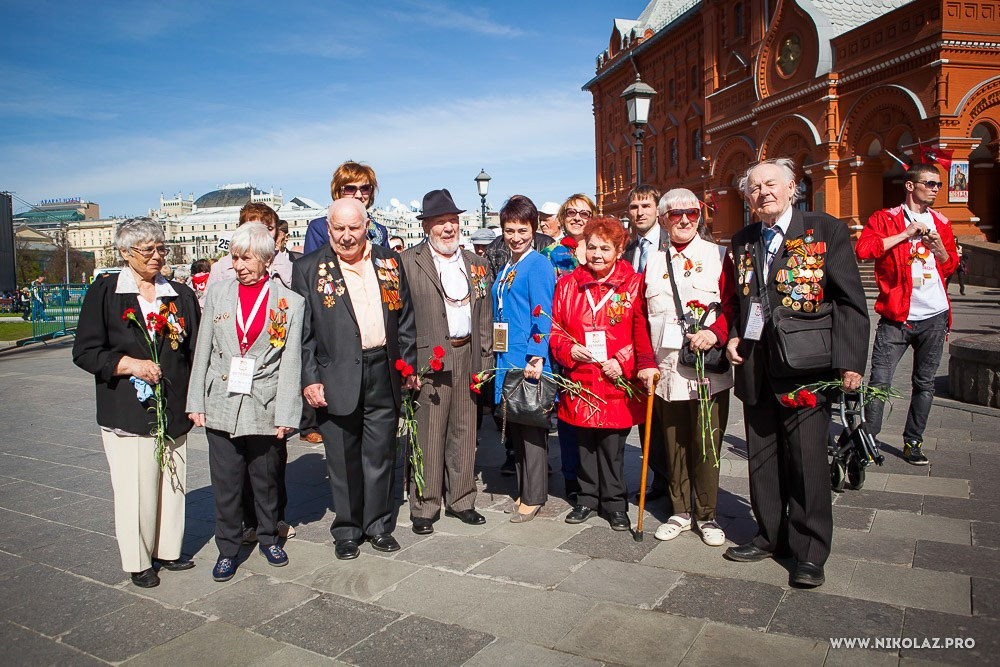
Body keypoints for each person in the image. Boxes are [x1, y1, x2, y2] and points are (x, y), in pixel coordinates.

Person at [724, 158, 869, 588]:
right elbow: (741, 301)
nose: (762, 192)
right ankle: (770, 535)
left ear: (792, 188)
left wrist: (849, 362)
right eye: (754, 187)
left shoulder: (825, 230)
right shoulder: (743, 239)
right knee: (763, 459)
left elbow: (849, 302)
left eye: (771, 184)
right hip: (756, 366)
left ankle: (809, 551)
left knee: (806, 460)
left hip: (807, 365)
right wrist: (733, 336)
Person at [72, 218, 201, 588]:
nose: (158, 256)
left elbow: (193, 350)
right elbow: (85, 351)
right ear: (126, 253)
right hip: (127, 410)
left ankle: (167, 550)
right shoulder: (106, 292)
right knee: (135, 488)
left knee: (172, 483)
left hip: (173, 407)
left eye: (162, 248)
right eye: (149, 250)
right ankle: (138, 559)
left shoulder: (180, 294)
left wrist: (197, 399)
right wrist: (129, 364)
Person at [292, 198, 416, 559]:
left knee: (380, 454)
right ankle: (347, 530)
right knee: (343, 458)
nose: (346, 237)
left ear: (366, 226)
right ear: (327, 229)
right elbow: (303, 333)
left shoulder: (388, 261)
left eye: (354, 228)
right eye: (338, 229)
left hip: (383, 369)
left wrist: (406, 365)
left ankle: (378, 524)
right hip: (336, 374)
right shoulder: (309, 269)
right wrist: (310, 378)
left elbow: (405, 318)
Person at [186, 223, 304, 581]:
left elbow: (291, 363)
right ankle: (227, 547)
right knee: (226, 482)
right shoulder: (218, 294)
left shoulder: (290, 302)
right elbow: (203, 349)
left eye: (246, 257)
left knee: (265, 478)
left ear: (267, 259)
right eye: (235, 257)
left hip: (264, 403)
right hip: (221, 399)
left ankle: (268, 537)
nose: (238, 265)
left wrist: (286, 413)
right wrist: (196, 401)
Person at [550, 216, 657, 531]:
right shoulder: (568, 284)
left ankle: (614, 502)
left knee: (612, 446)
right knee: (584, 443)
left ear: (619, 249)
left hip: (614, 380)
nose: (597, 254)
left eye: (605, 248)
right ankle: (586, 498)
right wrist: (568, 350)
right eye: (592, 247)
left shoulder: (634, 284)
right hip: (580, 377)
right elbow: (555, 327)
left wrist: (623, 361)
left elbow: (643, 332)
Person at [642, 189, 736, 547]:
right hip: (666, 368)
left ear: (700, 216)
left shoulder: (719, 255)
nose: (684, 220)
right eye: (676, 214)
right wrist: (645, 363)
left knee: (706, 443)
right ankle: (680, 511)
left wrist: (716, 332)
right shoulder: (652, 261)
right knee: (674, 443)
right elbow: (640, 316)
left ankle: (707, 514)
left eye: (692, 214)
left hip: (706, 368)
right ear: (663, 219)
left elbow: (732, 305)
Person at [400, 189, 493, 535]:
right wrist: (408, 366)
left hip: (467, 353)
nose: (448, 229)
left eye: (452, 221)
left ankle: (462, 500)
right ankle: (425, 504)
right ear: (427, 226)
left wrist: (484, 361)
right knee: (428, 432)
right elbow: (401, 318)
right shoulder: (409, 262)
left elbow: (484, 316)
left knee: (465, 431)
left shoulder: (477, 264)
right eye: (440, 223)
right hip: (428, 358)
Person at [856, 163, 959, 465]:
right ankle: (867, 440)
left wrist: (938, 246)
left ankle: (913, 441)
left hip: (935, 315)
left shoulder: (942, 222)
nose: (936, 189)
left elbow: (949, 264)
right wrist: (906, 233)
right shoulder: (885, 218)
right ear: (911, 186)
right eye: (929, 183)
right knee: (879, 382)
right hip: (897, 316)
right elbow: (864, 249)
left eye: (938, 184)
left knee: (924, 383)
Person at [492, 195, 556, 522]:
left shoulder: (538, 264)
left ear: (534, 229)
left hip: (526, 360)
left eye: (522, 229)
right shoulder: (509, 264)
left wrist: (537, 356)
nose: (515, 236)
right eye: (509, 229)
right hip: (507, 358)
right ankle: (522, 491)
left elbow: (543, 315)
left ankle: (534, 496)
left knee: (531, 430)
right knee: (516, 427)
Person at [537, 193, 596, 498]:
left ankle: (599, 479)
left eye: (584, 213)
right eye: (571, 212)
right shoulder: (549, 255)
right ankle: (573, 478)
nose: (577, 217)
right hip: (563, 346)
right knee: (568, 414)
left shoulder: (603, 250)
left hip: (600, 348)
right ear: (561, 218)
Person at [622, 185, 671, 504]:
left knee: (672, 416)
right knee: (647, 418)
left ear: (657, 209)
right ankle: (658, 479)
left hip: (668, 340)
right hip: (635, 343)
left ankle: (677, 480)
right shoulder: (626, 248)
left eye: (645, 205)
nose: (639, 211)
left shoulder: (671, 243)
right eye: (634, 206)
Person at [303, 161, 389, 253]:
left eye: (365, 188)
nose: (358, 195)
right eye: (350, 189)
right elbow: (311, 265)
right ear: (338, 192)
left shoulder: (380, 231)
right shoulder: (319, 228)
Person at [206, 203, 293, 290]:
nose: (263, 233)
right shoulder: (220, 268)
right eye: (255, 228)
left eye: (269, 229)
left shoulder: (291, 267)